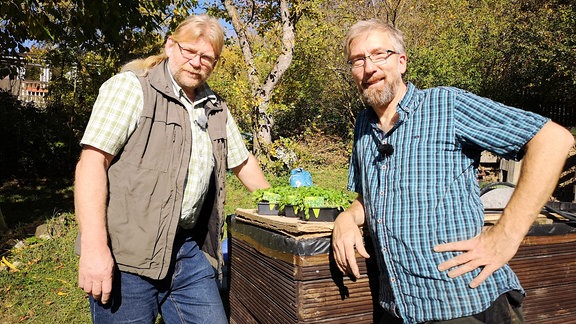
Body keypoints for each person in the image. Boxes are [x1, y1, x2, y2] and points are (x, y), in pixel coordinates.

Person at [332, 19, 574, 324]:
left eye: (380, 55)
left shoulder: (446, 106)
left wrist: (505, 236)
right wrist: (346, 218)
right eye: (358, 60)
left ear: (402, 62)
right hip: (397, 310)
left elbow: (552, 139)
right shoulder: (363, 128)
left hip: (465, 304)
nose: (369, 68)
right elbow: (368, 199)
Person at [74, 14, 270, 323]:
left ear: (215, 63)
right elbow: (91, 163)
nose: (196, 62)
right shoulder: (132, 88)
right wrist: (94, 248)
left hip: (188, 250)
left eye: (206, 57)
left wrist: (281, 205)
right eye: (189, 51)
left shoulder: (214, 107)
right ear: (170, 46)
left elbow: (242, 162)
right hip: (127, 255)